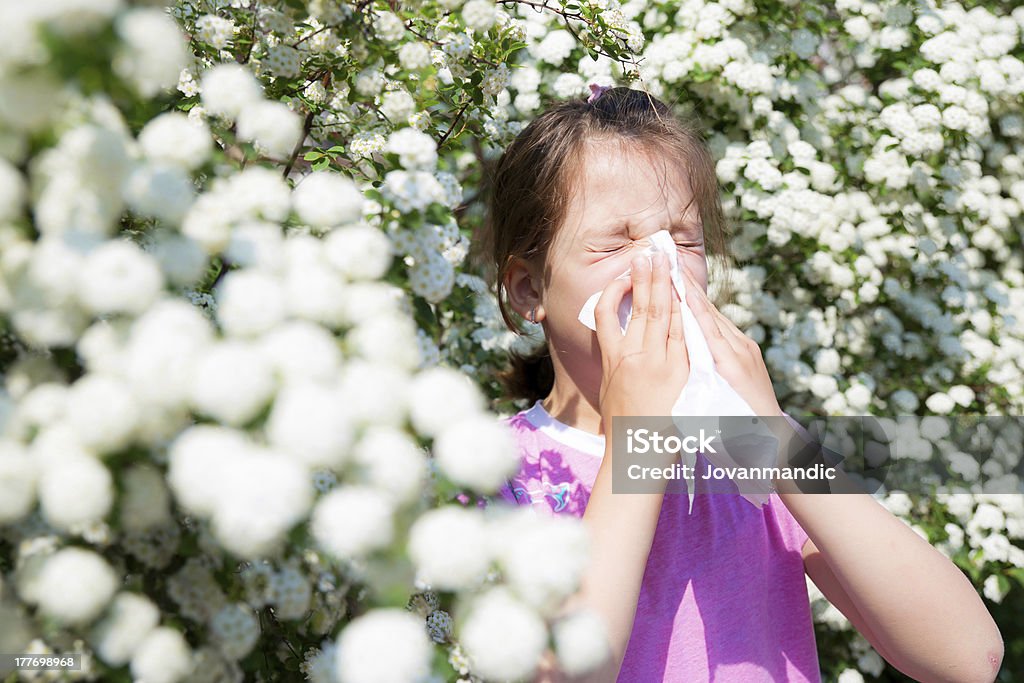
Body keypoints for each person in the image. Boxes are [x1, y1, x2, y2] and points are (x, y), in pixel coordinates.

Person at [477, 86, 1004, 682]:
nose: (662, 266)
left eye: (683, 239)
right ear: (529, 289)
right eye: (616, 242)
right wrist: (641, 443)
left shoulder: (743, 450)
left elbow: (966, 659)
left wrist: (777, 440)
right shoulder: (495, 471)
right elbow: (566, 673)